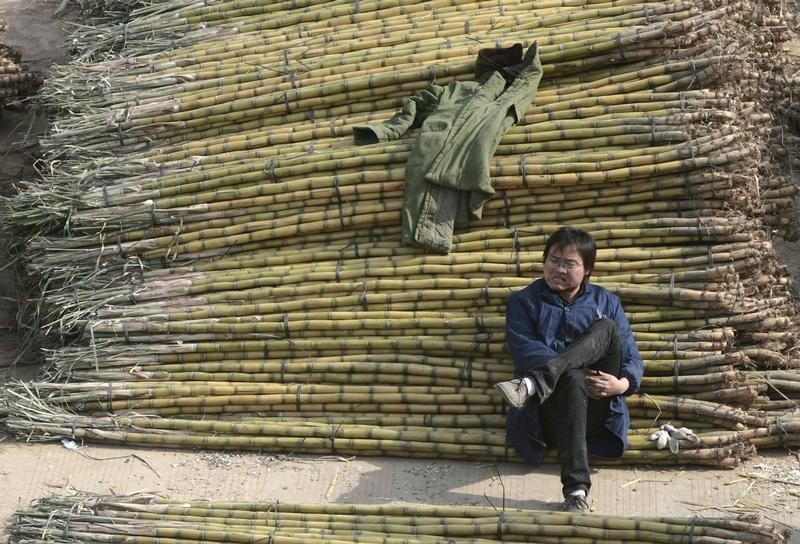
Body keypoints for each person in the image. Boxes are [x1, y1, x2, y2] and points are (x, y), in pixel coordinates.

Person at [494, 226, 643, 512]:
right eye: (553, 260)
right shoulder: (523, 302)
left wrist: (621, 385)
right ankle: (576, 490)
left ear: (587, 269)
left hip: (598, 411)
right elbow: (526, 352)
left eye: (569, 264)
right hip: (546, 415)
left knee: (607, 328)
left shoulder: (606, 302)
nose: (558, 269)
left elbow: (631, 356)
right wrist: (569, 370)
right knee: (573, 378)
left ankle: (537, 381)